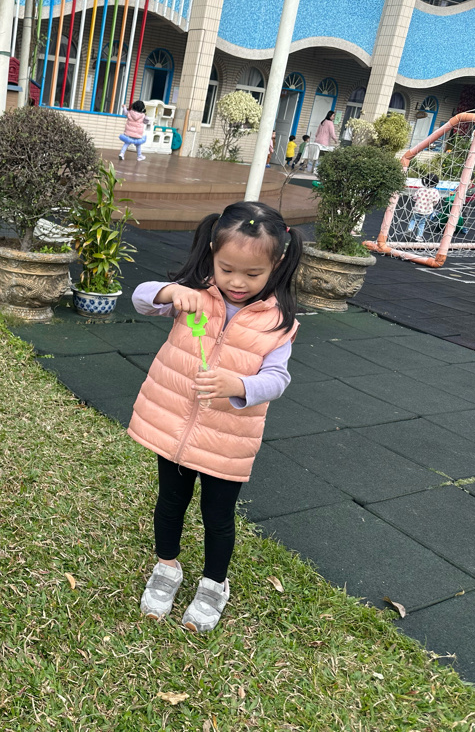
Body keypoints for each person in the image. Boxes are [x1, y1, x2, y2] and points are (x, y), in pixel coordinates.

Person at [128, 202, 301, 633]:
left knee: (218, 516)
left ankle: (213, 584)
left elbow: (278, 379)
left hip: (229, 439)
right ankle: (167, 567)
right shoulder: (194, 294)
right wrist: (169, 292)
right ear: (211, 253)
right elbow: (141, 298)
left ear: (277, 263)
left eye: (253, 274)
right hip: (174, 429)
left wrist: (239, 385)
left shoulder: (279, 323)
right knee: (170, 503)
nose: (237, 282)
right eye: (227, 269)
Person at [408, 173, 441, 240]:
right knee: (422, 223)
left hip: (418, 209)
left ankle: (410, 229)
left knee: (413, 219)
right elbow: (436, 201)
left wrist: (418, 200)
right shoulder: (435, 192)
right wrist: (432, 204)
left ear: (425, 181)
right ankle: (419, 236)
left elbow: (414, 198)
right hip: (427, 211)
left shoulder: (421, 189)